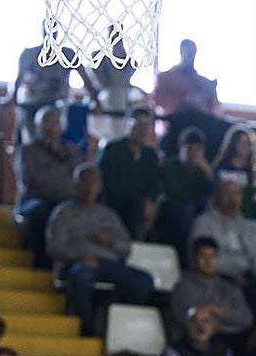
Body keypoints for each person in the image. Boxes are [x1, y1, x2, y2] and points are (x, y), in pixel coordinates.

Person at [45, 164, 155, 336]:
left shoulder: (109, 215)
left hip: (108, 264)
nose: (90, 188)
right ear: (76, 185)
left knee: (144, 281)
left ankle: (114, 320)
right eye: (85, 183)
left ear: (100, 187)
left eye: (94, 183)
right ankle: (86, 331)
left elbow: (126, 248)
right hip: (77, 263)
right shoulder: (63, 213)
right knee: (83, 276)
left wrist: (111, 242)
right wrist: (79, 257)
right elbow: (54, 247)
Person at [15, 105, 83, 268]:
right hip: (36, 200)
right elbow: (34, 180)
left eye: (55, 123)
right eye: (46, 123)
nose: (51, 128)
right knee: (42, 211)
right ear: (37, 127)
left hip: (66, 201)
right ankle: (42, 267)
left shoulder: (72, 151)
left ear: (62, 126)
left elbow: (81, 178)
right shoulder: (27, 151)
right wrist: (63, 178)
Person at [168, 237, 254, 339]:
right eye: (203, 256)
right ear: (194, 258)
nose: (208, 261)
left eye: (213, 256)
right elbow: (186, 314)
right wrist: (225, 321)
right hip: (192, 341)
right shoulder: (183, 284)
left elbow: (246, 318)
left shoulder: (229, 286)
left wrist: (217, 311)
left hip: (226, 340)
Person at [96, 107, 160, 239]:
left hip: (141, 206)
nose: (142, 131)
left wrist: (151, 202)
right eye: (138, 125)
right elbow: (108, 185)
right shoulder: (112, 150)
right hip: (114, 203)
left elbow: (154, 185)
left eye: (146, 126)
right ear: (128, 125)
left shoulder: (151, 155)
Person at [189, 178, 256, 284]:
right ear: (217, 196)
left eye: (236, 193)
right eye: (227, 193)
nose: (232, 198)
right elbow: (204, 259)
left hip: (251, 280)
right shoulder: (203, 223)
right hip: (217, 279)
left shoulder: (252, 227)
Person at [157, 126, 214, 255]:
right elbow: (173, 192)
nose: (193, 154)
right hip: (171, 208)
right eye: (189, 149)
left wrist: (209, 175)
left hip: (197, 210)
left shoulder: (203, 171)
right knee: (185, 211)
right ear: (180, 148)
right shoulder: (169, 166)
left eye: (197, 150)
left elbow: (212, 193)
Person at [153, 39, 218, 116]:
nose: (190, 57)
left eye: (192, 54)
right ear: (181, 52)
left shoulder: (203, 83)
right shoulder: (165, 78)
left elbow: (212, 108)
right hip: (174, 121)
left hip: (198, 122)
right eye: (188, 53)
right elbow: (158, 102)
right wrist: (182, 101)